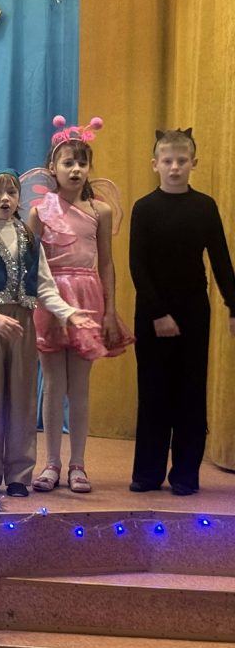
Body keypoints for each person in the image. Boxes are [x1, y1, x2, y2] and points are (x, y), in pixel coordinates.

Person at [0, 169, 96, 498]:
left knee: (22, 399)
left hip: (23, 326)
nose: (5, 199)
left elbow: (44, 285)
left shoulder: (31, 238)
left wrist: (68, 312)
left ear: (19, 198)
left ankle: (19, 473)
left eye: (12, 192)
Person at [28, 116, 133, 493]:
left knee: (80, 386)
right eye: (68, 162)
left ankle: (78, 464)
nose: (75, 169)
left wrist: (110, 310)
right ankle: (51, 463)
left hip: (88, 297)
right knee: (53, 383)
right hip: (51, 297)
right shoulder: (40, 211)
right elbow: (30, 265)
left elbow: (106, 263)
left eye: (82, 163)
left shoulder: (100, 211)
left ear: (89, 168)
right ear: (52, 167)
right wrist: (40, 305)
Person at [129, 129, 235, 496]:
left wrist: (233, 305)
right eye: (167, 161)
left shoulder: (204, 206)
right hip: (152, 311)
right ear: (155, 164)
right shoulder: (144, 208)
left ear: (193, 163)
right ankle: (147, 473)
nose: (174, 167)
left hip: (193, 310)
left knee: (190, 392)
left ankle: (186, 474)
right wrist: (158, 313)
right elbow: (138, 266)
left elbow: (220, 260)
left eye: (181, 161)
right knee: (153, 391)